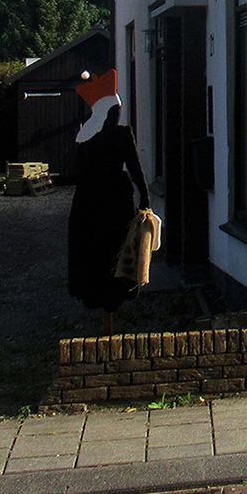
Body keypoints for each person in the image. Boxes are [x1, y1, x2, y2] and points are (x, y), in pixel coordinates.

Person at [67, 70, 150, 314]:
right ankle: (114, 293)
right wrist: (145, 197)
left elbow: (79, 170)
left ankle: (96, 292)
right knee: (116, 245)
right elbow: (135, 168)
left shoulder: (85, 135)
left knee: (94, 244)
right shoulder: (122, 134)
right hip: (115, 196)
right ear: (113, 112)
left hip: (89, 196)